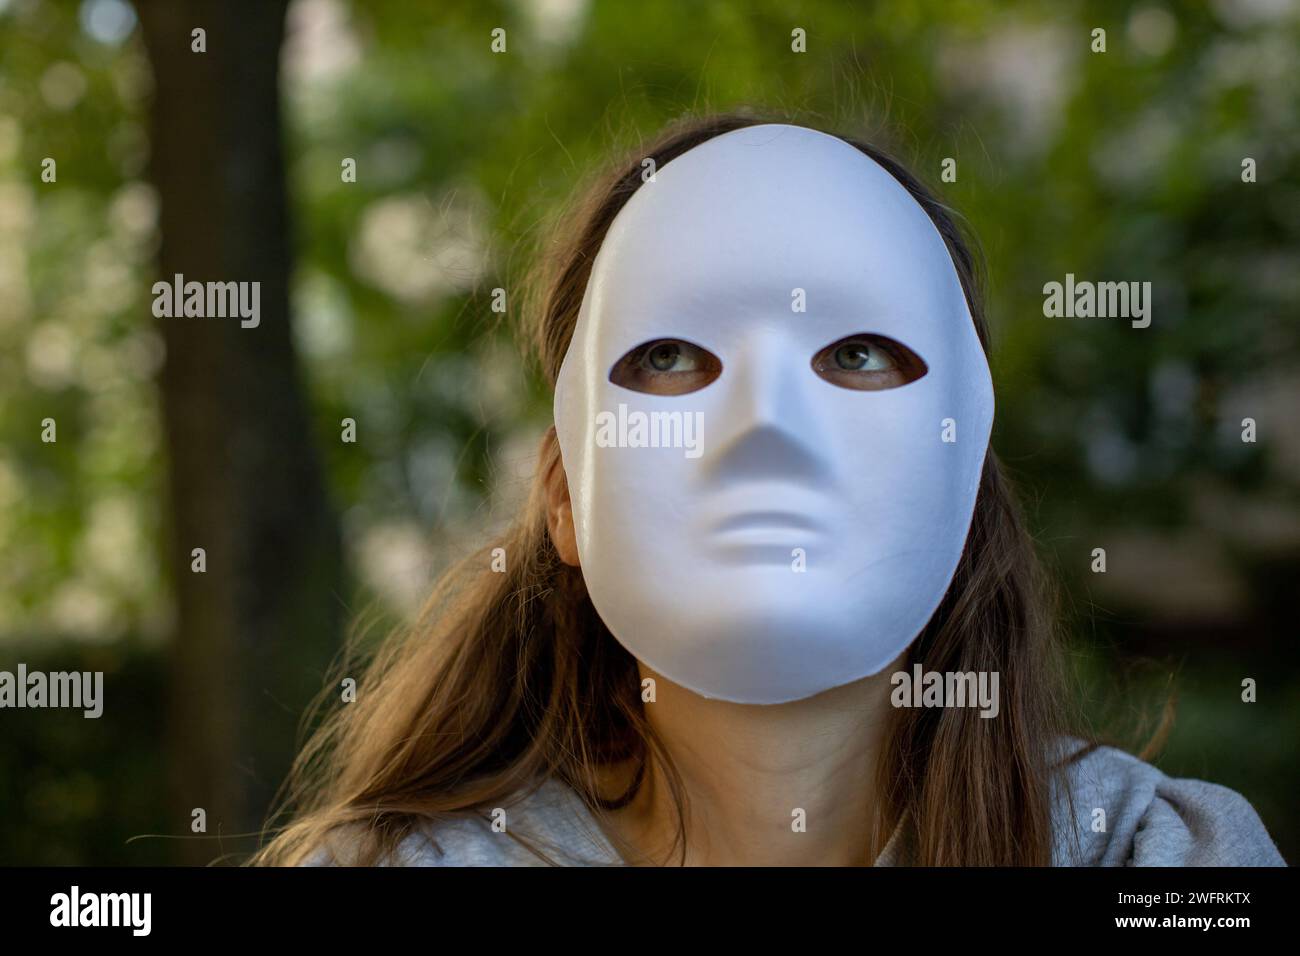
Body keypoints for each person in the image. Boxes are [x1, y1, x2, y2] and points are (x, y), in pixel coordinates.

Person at [254, 111, 1285, 867]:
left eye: (860, 354)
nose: (765, 429)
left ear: (962, 466)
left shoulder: (1160, 865)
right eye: (668, 357)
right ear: (564, 495)